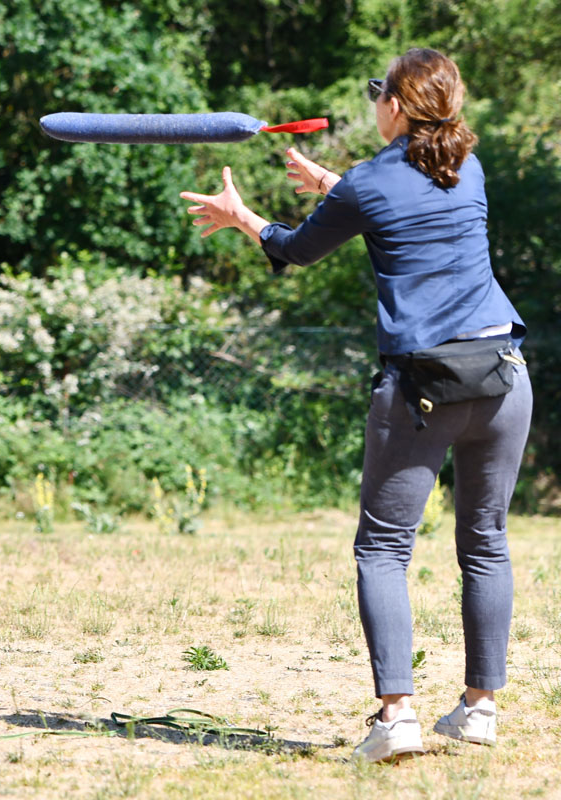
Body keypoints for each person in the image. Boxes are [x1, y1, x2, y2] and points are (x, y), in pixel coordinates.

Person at [178, 47, 532, 763]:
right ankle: (479, 708)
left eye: (379, 92)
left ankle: (396, 716)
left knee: (382, 548)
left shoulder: (370, 183)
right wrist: (336, 185)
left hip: (424, 387)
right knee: (486, 541)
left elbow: (298, 248)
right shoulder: (468, 166)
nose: (375, 102)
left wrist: (241, 215)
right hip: (502, 376)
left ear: (396, 106)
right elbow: (406, 205)